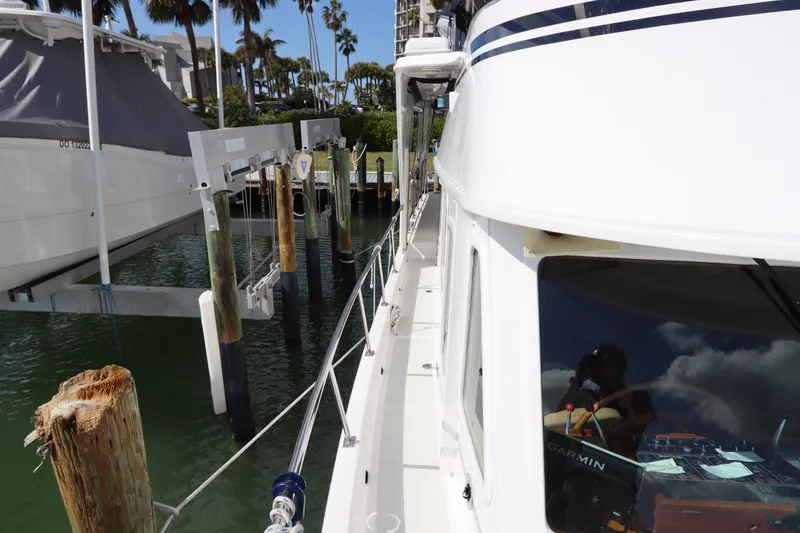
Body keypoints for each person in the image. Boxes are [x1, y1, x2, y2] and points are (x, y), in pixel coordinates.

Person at [557, 345, 656, 457]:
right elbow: (558, 421)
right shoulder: (584, 394)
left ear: (620, 367)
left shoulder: (637, 397)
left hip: (619, 465)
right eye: (595, 363)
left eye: (605, 363)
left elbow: (641, 430)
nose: (598, 367)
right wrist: (578, 379)